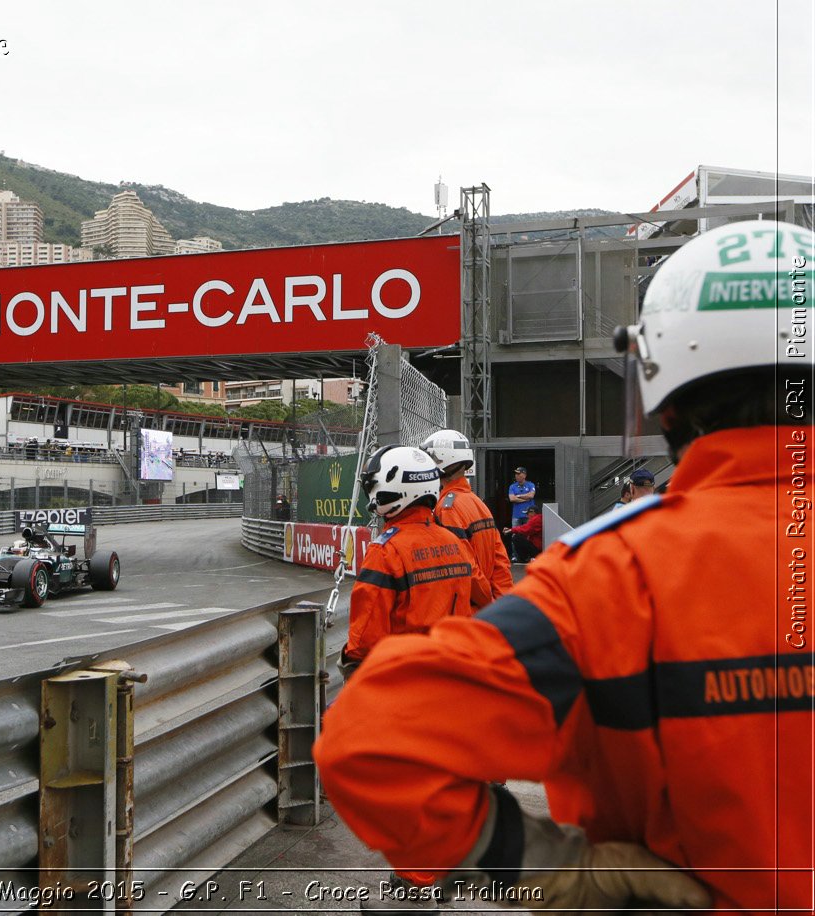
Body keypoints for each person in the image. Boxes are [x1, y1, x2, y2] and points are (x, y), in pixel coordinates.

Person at [315, 219, 812, 913]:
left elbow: (367, 736)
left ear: (662, 387)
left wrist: (553, 866)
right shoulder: (488, 525)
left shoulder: (612, 575)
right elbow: (488, 574)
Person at [342, 445, 479, 679]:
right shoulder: (455, 542)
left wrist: (349, 658)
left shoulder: (386, 551)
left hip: (406, 676)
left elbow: (365, 638)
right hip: (455, 670)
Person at [421, 429, 514, 599]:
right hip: (486, 607)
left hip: (468, 607)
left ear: (441, 459)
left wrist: (487, 601)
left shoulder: (447, 508)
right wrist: (501, 601)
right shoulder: (477, 502)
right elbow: (500, 560)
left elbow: (464, 566)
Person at [506, 466, 536, 544]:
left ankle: (529, 555)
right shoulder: (512, 486)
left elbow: (531, 496)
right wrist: (525, 498)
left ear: (524, 475)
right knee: (515, 536)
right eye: (516, 474)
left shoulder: (531, 485)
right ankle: (515, 555)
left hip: (529, 515)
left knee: (529, 535)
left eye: (519, 474)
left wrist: (518, 496)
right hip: (516, 515)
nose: (516, 475)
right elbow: (512, 499)